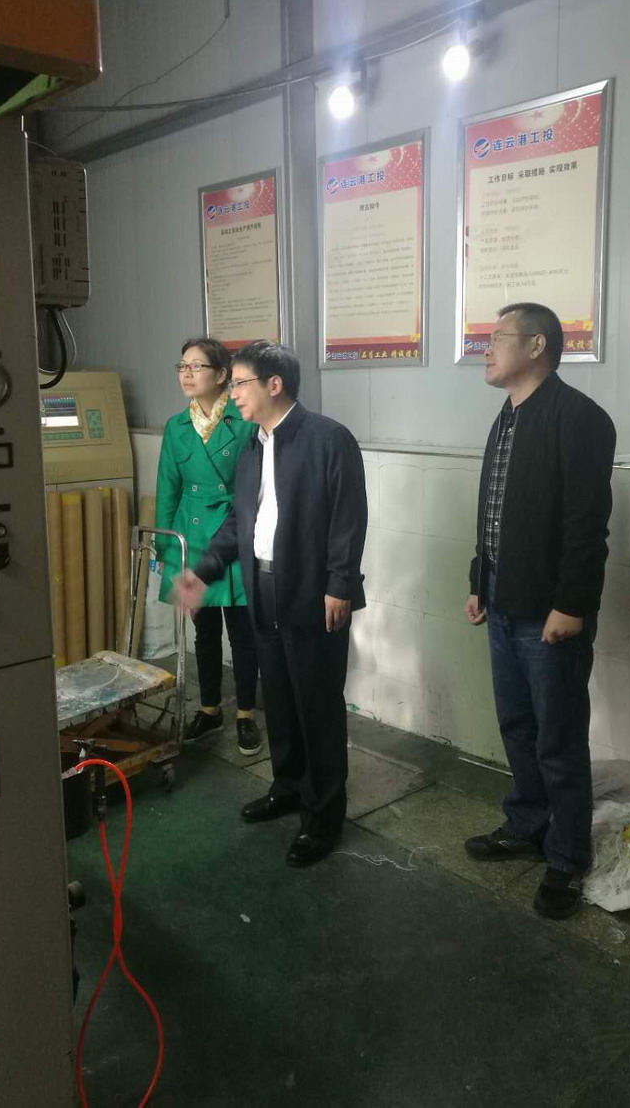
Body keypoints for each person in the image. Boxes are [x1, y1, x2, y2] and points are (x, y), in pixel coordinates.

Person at [173, 341, 367, 868]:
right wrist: (201, 571)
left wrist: (340, 585)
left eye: (240, 383)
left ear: (273, 384)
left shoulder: (328, 438)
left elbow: (348, 518)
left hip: (312, 593)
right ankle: (287, 787)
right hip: (262, 589)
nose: (233, 393)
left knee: (317, 707)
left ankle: (323, 815)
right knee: (278, 698)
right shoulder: (254, 447)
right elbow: (240, 522)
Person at [463, 303, 616, 919]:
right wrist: (480, 581)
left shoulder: (579, 418)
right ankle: (527, 824)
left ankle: (567, 857)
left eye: (497, 337)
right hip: (503, 600)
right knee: (518, 726)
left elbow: (587, 526)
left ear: (536, 346)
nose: (485, 347)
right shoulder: (507, 415)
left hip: (550, 614)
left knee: (558, 739)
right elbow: (494, 512)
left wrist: (571, 606)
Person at [155, 337, 261, 755]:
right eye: (182, 366)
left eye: (196, 367)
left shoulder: (245, 420)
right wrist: (165, 547)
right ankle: (210, 708)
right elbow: (168, 489)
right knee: (205, 632)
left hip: (234, 533)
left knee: (243, 631)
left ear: (221, 375)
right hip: (192, 534)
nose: (186, 374)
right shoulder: (175, 427)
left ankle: (246, 713)